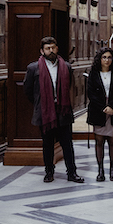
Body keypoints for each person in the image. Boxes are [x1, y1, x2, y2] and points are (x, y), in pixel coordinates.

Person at [24, 36, 83, 183]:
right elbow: (28, 90)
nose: (51, 50)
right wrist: (41, 104)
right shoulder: (33, 68)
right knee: (48, 144)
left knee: (67, 144)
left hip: (62, 111)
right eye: (47, 48)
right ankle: (49, 172)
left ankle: (72, 173)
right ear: (42, 51)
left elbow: (70, 87)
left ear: (57, 48)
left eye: (53, 47)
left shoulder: (66, 66)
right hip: (45, 111)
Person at [87, 47, 113, 181]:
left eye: (109, 57)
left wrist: (112, 106)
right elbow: (91, 93)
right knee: (99, 141)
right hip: (99, 111)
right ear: (100, 59)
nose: (107, 60)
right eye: (104, 57)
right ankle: (100, 170)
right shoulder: (93, 73)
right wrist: (104, 107)